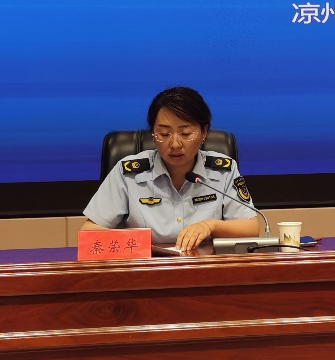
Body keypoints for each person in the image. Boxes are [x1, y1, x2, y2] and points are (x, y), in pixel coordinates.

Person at [81, 86, 263, 251]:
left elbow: (251, 227)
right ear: (153, 134)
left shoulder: (223, 170)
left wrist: (210, 226)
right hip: (145, 270)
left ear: (204, 132)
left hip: (205, 268)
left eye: (185, 133)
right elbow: (89, 231)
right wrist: (137, 242)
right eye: (164, 134)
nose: (175, 144)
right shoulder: (127, 173)